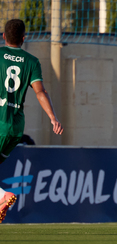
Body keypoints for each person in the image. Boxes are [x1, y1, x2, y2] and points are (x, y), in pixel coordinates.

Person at [0, 19, 63, 223]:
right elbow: (40, 92)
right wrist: (53, 118)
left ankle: (3, 196)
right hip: (15, 127)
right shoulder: (31, 61)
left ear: (4, 37)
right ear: (24, 38)